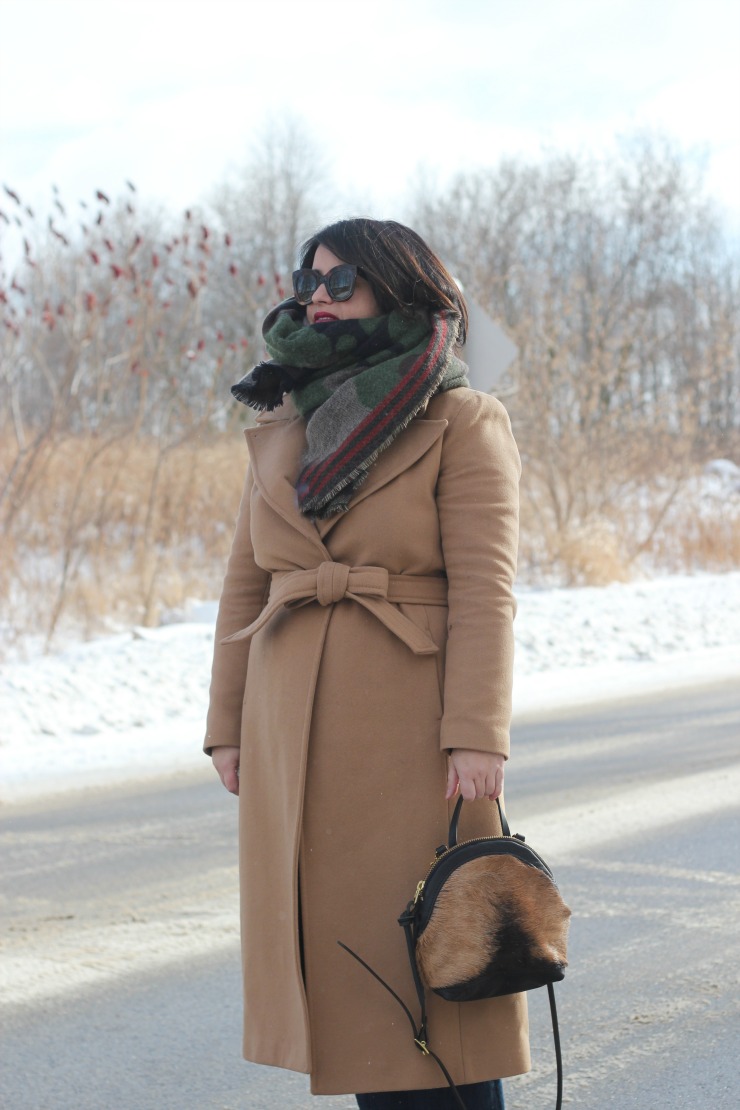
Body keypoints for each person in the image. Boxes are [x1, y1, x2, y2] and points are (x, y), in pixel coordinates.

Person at [205, 218, 528, 1109]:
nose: (316, 293)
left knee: (432, 976)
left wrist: (476, 734)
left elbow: (485, 590)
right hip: (288, 727)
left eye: (340, 279)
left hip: (411, 732)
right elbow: (245, 586)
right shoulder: (284, 412)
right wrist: (226, 727)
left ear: (396, 285)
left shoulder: (462, 416)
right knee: (349, 988)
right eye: (307, 277)